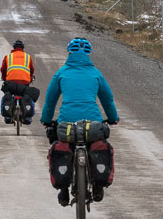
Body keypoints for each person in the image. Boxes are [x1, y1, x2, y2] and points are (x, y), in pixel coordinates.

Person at [40, 37, 119, 206]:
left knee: (62, 145)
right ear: (89, 54)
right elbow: (108, 100)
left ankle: (63, 190)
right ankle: (98, 185)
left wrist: (46, 120)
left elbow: (50, 100)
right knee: (96, 143)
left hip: (66, 123)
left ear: (69, 53)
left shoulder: (62, 73)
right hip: (93, 122)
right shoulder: (96, 73)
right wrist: (112, 118)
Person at [0, 39, 39, 124]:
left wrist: (4, 78)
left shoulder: (8, 56)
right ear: (23, 48)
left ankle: (7, 117)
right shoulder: (28, 57)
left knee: (6, 96)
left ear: (13, 48)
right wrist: (30, 78)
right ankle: (28, 118)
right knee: (28, 97)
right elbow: (31, 70)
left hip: (11, 83)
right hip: (24, 82)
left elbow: (3, 69)